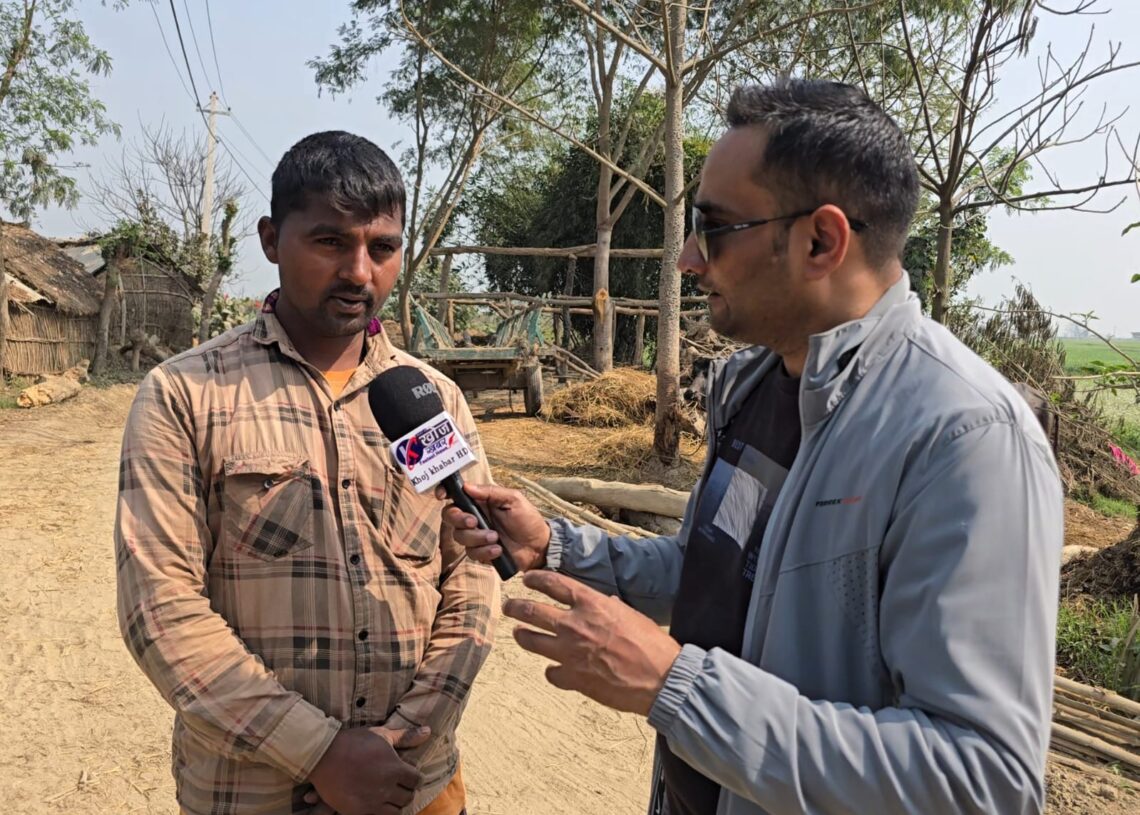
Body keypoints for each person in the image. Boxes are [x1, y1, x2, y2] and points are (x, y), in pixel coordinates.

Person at [441, 79, 1063, 815]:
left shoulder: (963, 438)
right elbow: (719, 571)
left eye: (714, 227)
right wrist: (559, 546)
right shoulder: (753, 386)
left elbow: (981, 778)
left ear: (821, 241)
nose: (686, 260)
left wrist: (677, 686)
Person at [115, 131, 497, 815]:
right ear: (270, 239)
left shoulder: (429, 399)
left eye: (382, 247)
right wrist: (320, 752)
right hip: (254, 792)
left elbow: (470, 577)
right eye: (329, 241)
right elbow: (160, 609)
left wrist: (404, 734)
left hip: (418, 785)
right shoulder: (185, 394)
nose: (359, 271)